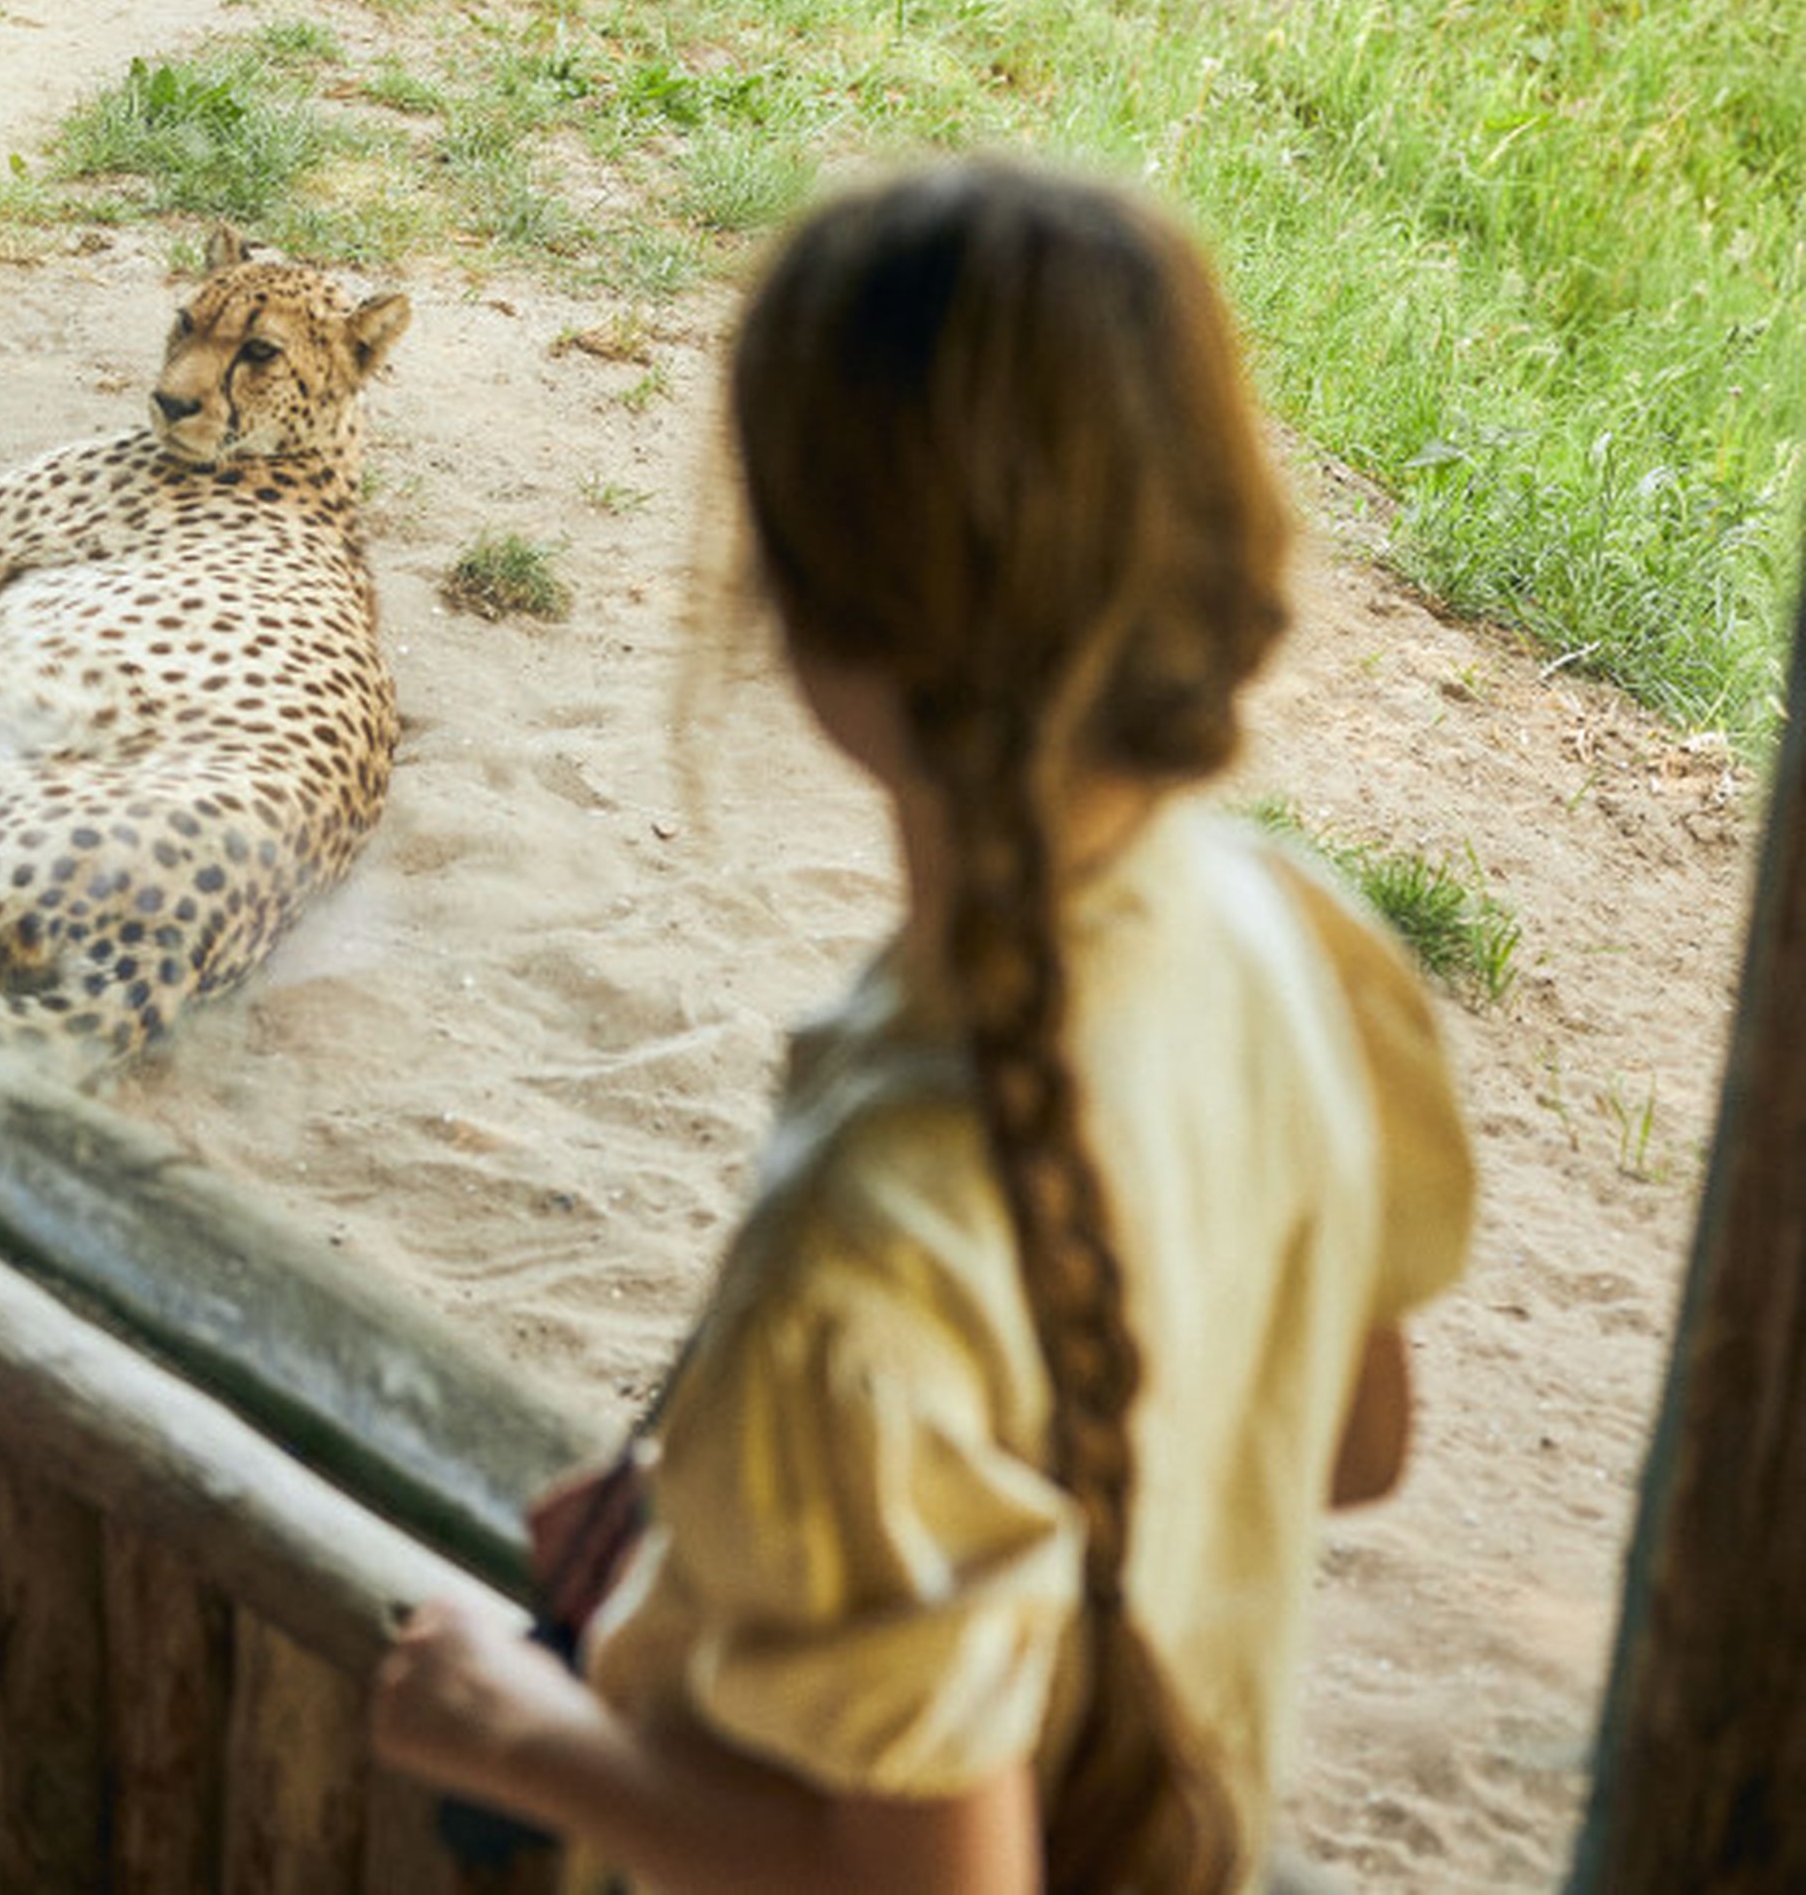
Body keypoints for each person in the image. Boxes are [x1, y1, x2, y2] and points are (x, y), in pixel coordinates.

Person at [373, 161, 1475, 1894]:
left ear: (804, 601)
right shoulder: (1288, 931)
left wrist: (516, 1728)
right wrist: (747, 1522)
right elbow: (1348, 1445)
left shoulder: (870, 1257)